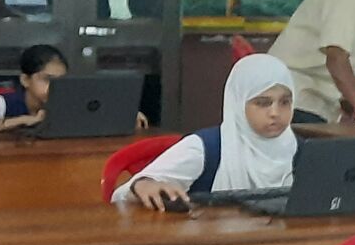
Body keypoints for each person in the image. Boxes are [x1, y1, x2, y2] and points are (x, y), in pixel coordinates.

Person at [115, 53, 297, 207]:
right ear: (238, 104)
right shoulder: (206, 148)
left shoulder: (301, 151)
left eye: (285, 102)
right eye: (263, 103)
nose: (275, 113)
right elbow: (123, 196)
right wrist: (144, 185)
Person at [0, 44, 68, 134]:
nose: (55, 86)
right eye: (47, 79)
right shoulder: (4, 104)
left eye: (61, 80)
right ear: (25, 80)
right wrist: (22, 121)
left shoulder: (67, 105)